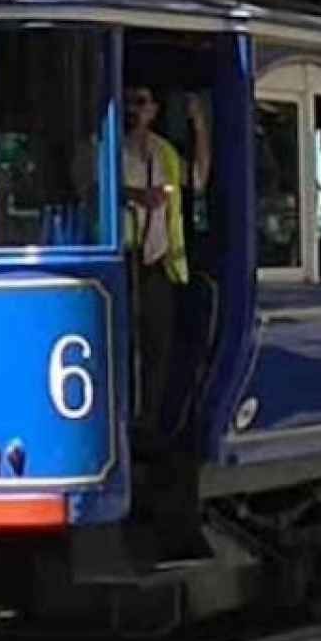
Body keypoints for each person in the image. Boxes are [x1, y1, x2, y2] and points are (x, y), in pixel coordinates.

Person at [122, 83, 210, 435]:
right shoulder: (104, 146)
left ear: (154, 110)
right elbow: (88, 188)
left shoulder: (165, 153)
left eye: (141, 102)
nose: (134, 109)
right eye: (129, 101)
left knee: (159, 347)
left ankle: (149, 428)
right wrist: (135, 195)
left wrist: (200, 126)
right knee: (127, 347)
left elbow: (198, 179)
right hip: (121, 262)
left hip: (157, 263)